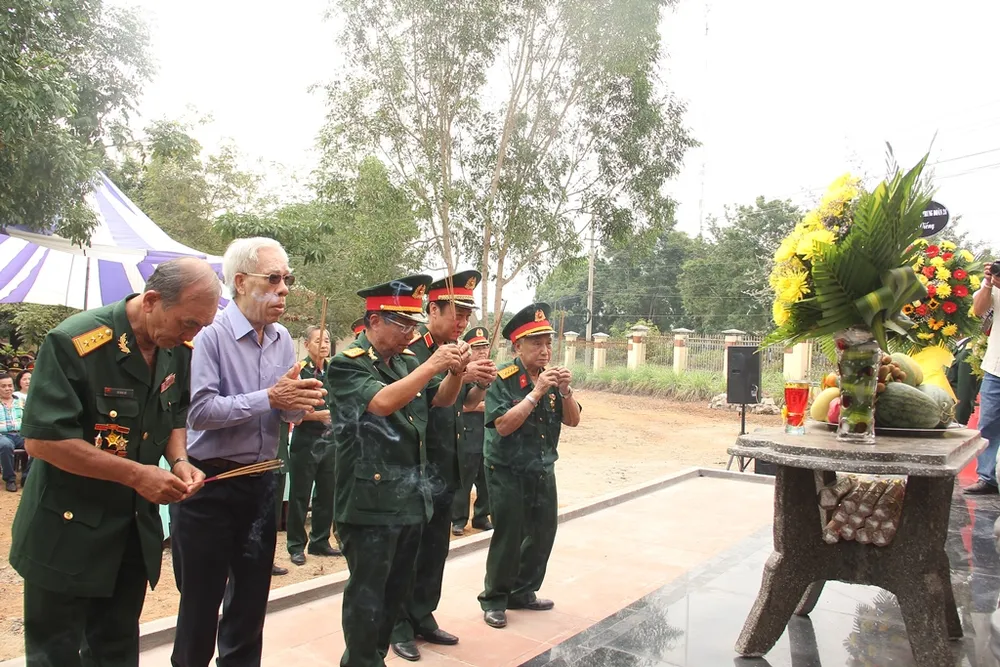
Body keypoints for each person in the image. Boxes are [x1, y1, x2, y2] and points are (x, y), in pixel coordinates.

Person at [9, 257, 220, 667]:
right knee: (55, 654)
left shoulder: (174, 347)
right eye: (189, 323)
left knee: (117, 650)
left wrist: (178, 460)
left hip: (128, 532)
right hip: (66, 530)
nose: (193, 333)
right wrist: (138, 475)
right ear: (152, 301)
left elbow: (174, 411)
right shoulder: (75, 342)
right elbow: (42, 440)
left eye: (200, 326)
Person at [169, 238, 327, 667]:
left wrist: (300, 400)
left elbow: (284, 410)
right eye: (273, 279)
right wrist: (270, 398)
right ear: (240, 282)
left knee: (251, 603)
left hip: (261, 482)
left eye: (287, 279)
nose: (284, 290)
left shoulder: (280, 340)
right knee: (200, 605)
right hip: (209, 486)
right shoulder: (209, 336)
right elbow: (199, 412)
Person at [330, 274, 469, 667]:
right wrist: (433, 366)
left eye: (413, 324)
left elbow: (440, 401)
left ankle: (374, 659)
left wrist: (456, 371)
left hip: (410, 498)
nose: (410, 333)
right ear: (374, 321)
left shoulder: (407, 361)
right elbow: (382, 403)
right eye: (401, 324)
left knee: (393, 595)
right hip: (369, 503)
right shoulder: (347, 364)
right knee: (368, 596)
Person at [390, 271, 497, 661]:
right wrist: (454, 371)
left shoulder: (459, 350)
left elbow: (462, 404)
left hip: (445, 467)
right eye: (457, 313)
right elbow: (428, 400)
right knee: (408, 550)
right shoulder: (413, 352)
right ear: (432, 309)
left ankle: (423, 615)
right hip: (416, 467)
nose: (463, 323)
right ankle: (397, 624)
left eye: (468, 316)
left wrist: (478, 381)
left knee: (435, 548)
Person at [478, 302, 581, 629]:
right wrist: (536, 392)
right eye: (536, 343)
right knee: (509, 535)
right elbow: (504, 425)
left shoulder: (554, 380)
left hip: (542, 468)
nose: (545, 350)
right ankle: (494, 599)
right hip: (507, 469)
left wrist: (564, 391)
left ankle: (523, 591)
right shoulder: (503, 379)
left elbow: (574, 420)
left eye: (548, 343)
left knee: (542, 532)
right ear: (517, 346)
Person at [287, 325, 341, 565]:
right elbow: (291, 411)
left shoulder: (336, 369)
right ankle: (296, 545)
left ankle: (320, 540)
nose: (324, 344)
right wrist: (316, 415)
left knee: (327, 493)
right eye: (318, 340)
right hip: (305, 439)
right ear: (306, 344)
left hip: (331, 440)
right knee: (300, 494)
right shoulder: (300, 371)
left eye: (327, 339)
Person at [452, 327, 493, 535]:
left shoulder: (492, 370)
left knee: (485, 479)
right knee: (464, 480)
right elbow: (462, 404)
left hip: (487, 434)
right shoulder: (462, 373)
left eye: (485, 347)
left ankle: (481, 516)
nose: (483, 352)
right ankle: (458, 519)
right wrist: (484, 406)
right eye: (477, 348)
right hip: (467, 433)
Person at [967, 263, 1000, 495]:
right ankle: (987, 477)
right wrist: (988, 283)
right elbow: (979, 311)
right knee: (988, 424)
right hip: (996, 366)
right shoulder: (994, 285)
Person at [0, 374, 28, 490]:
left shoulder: (21, 401)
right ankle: (10, 479)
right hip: (2, 435)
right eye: (3, 386)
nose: (8, 389)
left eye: (10, 385)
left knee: (38, 445)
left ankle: (26, 478)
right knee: (5, 445)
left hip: (20, 434)